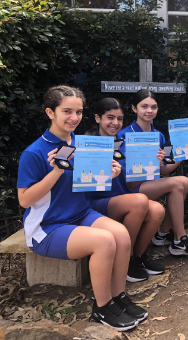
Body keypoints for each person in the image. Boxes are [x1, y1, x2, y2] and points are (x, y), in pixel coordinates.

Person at [17, 86, 146, 331]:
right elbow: (24, 200)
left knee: (121, 234)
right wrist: (56, 170)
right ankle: (102, 307)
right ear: (50, 112)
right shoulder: (34, 153)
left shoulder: (84, 144)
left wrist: (109, 173)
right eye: (67, 111)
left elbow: (91, 186)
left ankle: (118, 296)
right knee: (104, 241)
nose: (74, 117)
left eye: (78, 112)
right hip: (47, 227)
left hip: (80, 213)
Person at [118, 89, 188, 257]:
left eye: (153, 107)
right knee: (176, 183)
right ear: (133, 108)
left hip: (149, 186)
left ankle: (163, 234)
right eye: (144, 106)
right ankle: (180, 239)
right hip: (129, 188)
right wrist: (148, 165)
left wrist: (184, 153)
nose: (149, 111)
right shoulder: (123, 135)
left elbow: (163, 169)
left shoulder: (158, 136)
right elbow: (123, 172)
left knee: (184, 181)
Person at [85, 97, 166, 282]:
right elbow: (85, 185)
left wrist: (153, 164)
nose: (115, 123)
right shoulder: (89, 144)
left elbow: (130, 183)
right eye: (110, 118)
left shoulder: (122, 142)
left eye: (119, 119)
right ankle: (124, 260)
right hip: (96, 203)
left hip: (122, 198)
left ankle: (136, 258)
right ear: (98, 118)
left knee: (157, 210)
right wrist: (105, 174)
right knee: (139, 201)